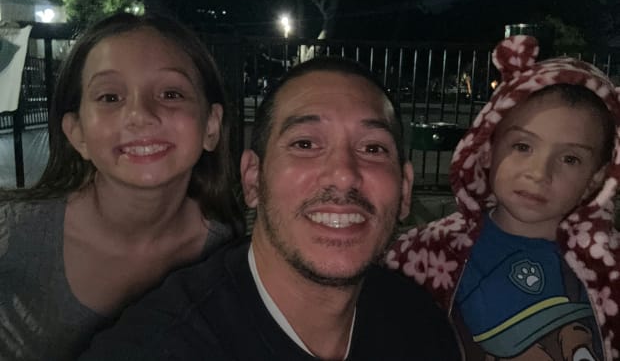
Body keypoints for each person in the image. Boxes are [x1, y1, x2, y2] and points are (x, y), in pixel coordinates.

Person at [78, 56, 461, 360]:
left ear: (404, 189)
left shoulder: (419, 326)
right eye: (305, 144)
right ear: (252, 180)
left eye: (373, 148)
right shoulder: (159, 347)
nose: (344, 174)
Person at [0, 12, 243, 360]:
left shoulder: (226, 249)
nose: (140, 115)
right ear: (77, 134)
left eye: (171, 93)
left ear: (211, 126)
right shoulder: (12, 235)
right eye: (110, 97)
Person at [386, 35, 620, 360]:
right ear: (487, 149)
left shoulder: (610, 266)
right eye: (522, 146)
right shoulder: (426, 254)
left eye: (570, 159)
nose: (539, 173)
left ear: (596, 177)